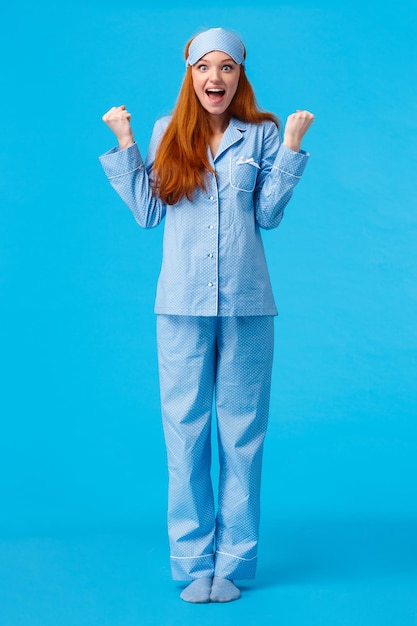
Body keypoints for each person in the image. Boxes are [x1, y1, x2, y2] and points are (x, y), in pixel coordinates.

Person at [99, 27, 314, 604]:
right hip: (181, 305)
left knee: (243, 436)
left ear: (240, 75)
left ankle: (235, 564)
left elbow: (267, 215)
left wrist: (291, 149)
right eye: (203, 68)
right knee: (185, 433)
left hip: (247, 304)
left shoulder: (263, 135)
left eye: (225, 68)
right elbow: (148, 212)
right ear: (189, 75)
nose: (214, 78)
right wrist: (124, 143)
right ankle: (194, 561)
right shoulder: (168, 132)